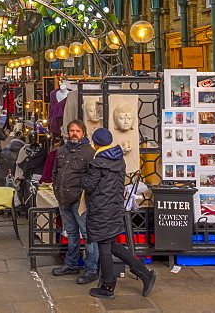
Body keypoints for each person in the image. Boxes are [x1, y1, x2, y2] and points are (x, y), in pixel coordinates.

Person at [82, 128, 157, 300]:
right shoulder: (118, 160)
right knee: (109, 245)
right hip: (115, 207)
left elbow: (89, 185)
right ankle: (144, 274)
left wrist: (81, 178)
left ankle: (108, 286)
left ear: (95, 144)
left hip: (102, 209)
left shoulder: (97, 163)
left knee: (105, 247)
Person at [50, 120, 99, 285]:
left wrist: (83, 195)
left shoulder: (88, 152)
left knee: (87, 235)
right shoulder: (62, 150)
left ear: (83, 133)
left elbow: (92, 177)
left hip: (80, 201)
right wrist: (56, 191)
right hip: (63, 199)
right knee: (71, 234)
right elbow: (55, 172)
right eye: (72, 130)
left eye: (77, 130)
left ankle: (91, 269)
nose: (74, 133)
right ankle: (71, 264)